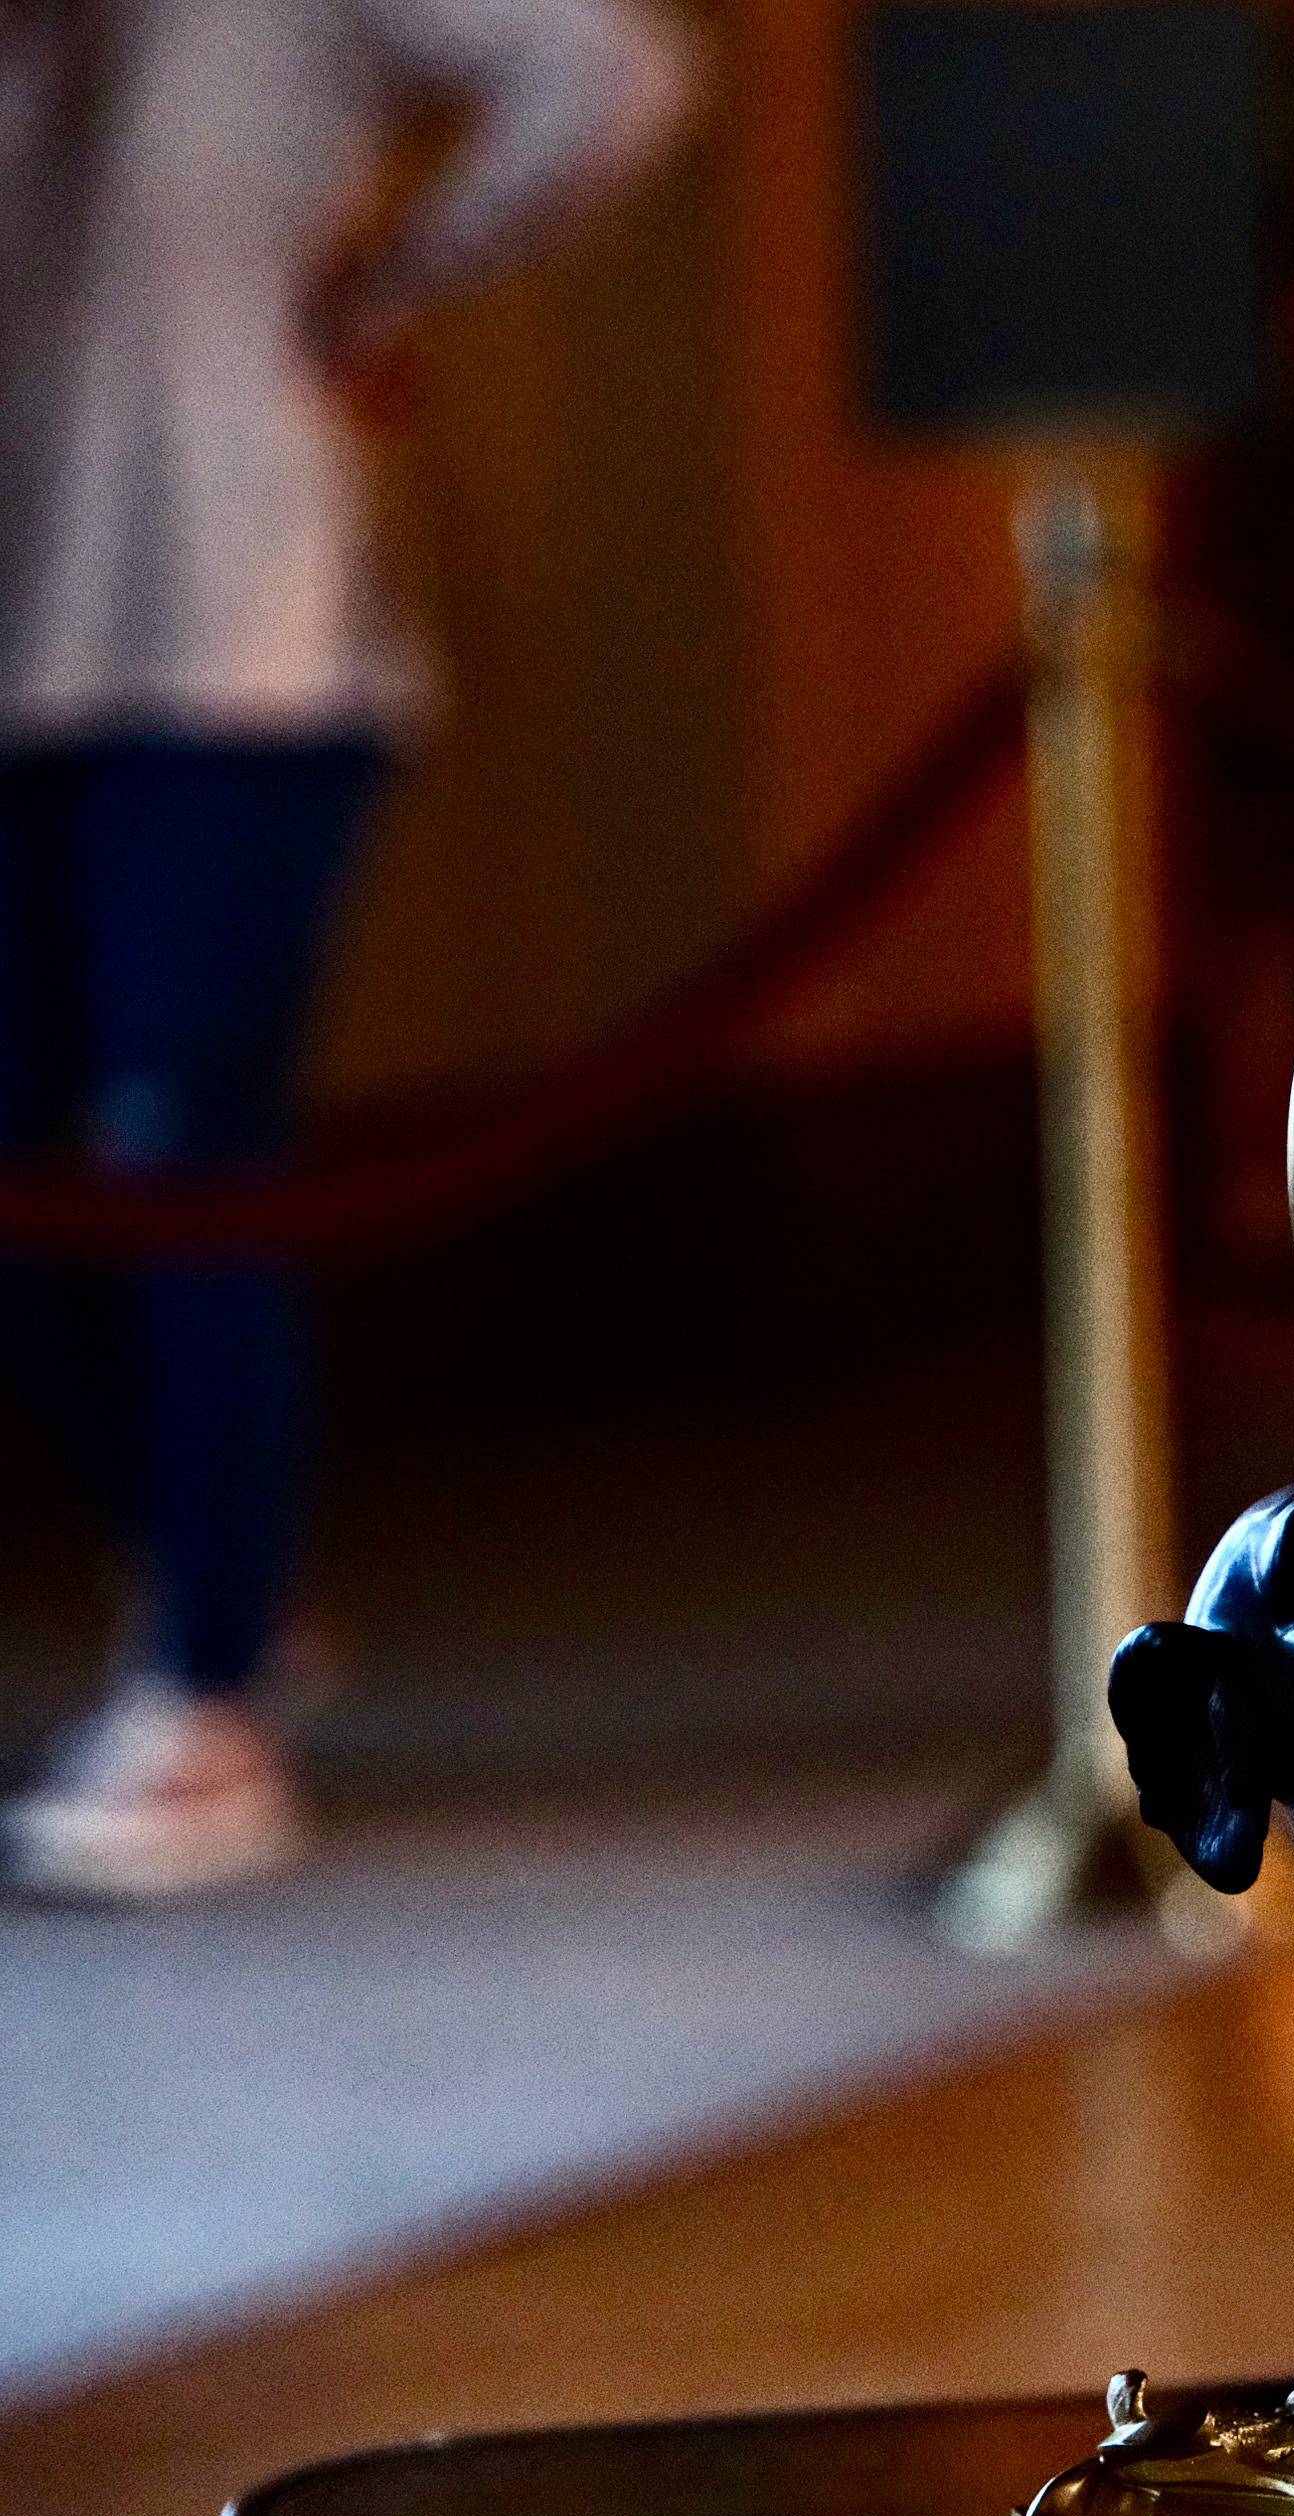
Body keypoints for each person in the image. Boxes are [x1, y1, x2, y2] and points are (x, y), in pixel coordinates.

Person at [0, 0, 694, 1897]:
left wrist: (396, 281)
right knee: (29, 1186)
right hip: (22, 655)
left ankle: (210, 1698)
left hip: (236, 651)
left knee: (179, 1148)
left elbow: (610, 75)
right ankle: (217, 1558)